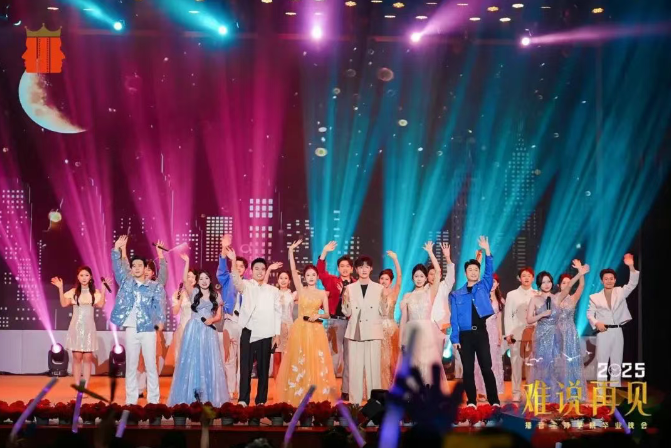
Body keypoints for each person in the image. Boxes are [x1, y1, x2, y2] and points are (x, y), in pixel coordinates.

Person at [275, 239, 337, 405]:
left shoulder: (322, 293)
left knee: (315, 362)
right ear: (304, 277)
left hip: (316, 331)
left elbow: (328, 314)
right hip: (300, 329)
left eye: (313, 275)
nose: (310, 277)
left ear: (317, 277)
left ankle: (316, 396)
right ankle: (298, 394)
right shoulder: (301, 290)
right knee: (299, 360)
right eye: (308, 275)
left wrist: (319, 315)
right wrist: (291, 251)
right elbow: (293, 270)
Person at [109, 235, 166, 405]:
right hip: (131, 328)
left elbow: (159, 305)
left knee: (151, 365)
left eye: (140, 265)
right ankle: (131, 400)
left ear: (145, 268)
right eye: (134, 266)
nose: (136, 268)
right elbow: (118, 268)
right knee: (131, 365)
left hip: (148, 329)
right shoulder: (126, 282)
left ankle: (153, 400)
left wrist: (160, 321)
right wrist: (116, 249)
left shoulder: (154, 286)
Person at [225, 241, 282, 406]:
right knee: (245, 367)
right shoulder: (247, 285)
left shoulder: (273, 291)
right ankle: (243, 399)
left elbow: (277, 313)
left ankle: (261, 400)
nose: (259, 271)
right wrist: (233, 260)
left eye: (262, 269)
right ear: (251, 270)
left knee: (263, 369)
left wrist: (277, 334)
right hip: (248, 331)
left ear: (266, 271)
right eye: (256, 268)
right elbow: (236, 281)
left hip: (266, 332)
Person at [167, 260, 229, 407]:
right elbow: (184, 280)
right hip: (193, 329)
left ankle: (208, 395)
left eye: (206, 278)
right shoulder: (194, 292)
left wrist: (211, 320)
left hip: (208, 331)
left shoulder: (216, 295)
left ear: (210, 280)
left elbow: (218, 315)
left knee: (208, 361)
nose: (204, 281)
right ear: (198, 281)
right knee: (192, 361)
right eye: (201, 279)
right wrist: (187, 262)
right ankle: (191, 395)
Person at [526, 260, 589, 402]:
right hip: (541, 335)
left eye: (549, 281)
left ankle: (554, 396)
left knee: (555, 366)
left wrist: (579, 273)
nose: (546, 284)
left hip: (555, 336)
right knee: (542, 366)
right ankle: (542, 396)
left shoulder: (557, 298)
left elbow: (569, 286)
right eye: (543, 282)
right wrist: (542, 314)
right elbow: (529, 319)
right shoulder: (535, 299)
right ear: (539, 284)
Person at [449, 236, 500, 407]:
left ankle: (494, 401)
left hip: (481, 333)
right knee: (468, 370)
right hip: (465, 336)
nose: (473, 272)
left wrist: (487, 251)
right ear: (465, 273)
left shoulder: (484, 286)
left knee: (486, 367)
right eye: (470, 270)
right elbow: (454, 319)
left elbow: (489, 270)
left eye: (476, 270)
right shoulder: (456, 294)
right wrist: (455, 339)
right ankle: (471, 401)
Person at [587, 253, 639, 388]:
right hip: (603, 332)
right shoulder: (594, 297)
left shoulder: (620, 292)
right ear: (601, 281)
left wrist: (631, 266)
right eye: (606, 279)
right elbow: (590, 314)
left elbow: (633, 283)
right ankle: (601, 392)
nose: (609, 281)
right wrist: (596, 323)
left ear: (615, 280)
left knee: (616, 363)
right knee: (602, 363)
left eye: (611, 278)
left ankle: (615, 390)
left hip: (617, 331)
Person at [50, 267, 109, 386]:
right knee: (77, 358)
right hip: (76, 327)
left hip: (89, 328)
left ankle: (84, 386)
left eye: (86, 275)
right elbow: (64, 304)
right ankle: (78, 386)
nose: (84, 278)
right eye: (81, 275)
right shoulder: (73, 292)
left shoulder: (94, 293)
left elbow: (101, 304)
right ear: (78, 277)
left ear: (90, 277)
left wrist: (103, 290)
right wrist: (60, 288)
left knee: (87, 358)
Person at [399, 242, 445, 387]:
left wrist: (430, 252)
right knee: (413, 365)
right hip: (411, 333)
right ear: (412, 278)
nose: (419, 278)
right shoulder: (407, 296)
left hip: (426, 333)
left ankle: (428, 393)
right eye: (416, 276)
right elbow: (403, 320)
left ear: (426, 278)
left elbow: (438, 272)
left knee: (427, 365)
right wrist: (401, 340)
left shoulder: (429, 292)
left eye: (421, 276)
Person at [341, 255, 384, 405]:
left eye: (367, 267)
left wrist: (385, 299)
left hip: (373, 332)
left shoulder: (379, 288)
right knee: (355, 370)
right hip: (356, 332)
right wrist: (345, 300)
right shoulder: (349, 288)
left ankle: (375, 405)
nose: (364, 270)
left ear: (371, 269)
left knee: (374, 371)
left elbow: (383, 312)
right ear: (356, 269)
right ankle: (355, 405)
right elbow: (346, 312)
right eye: (361, 267)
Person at [317, 241, 356, 400]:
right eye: (342, 266)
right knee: (333, 357)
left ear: (352, 269)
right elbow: (320, 272)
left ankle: (346, 390)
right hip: (335, 323)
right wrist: (324, 252)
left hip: (352, 324)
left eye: (347, 266)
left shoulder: (357, 284)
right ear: (338, 268)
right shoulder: (333, 281)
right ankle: (329, 390)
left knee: (350, 358)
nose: (345, 269)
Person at [216, 234, 248, 400]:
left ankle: (241, 391)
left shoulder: (249, 284)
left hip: (245, 324)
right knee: (229, 357)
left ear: (245, 269)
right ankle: (229, 390)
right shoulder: (227, 279)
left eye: (242, 266)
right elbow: (222, 268)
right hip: (229, 321)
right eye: (237, 265)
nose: (239, 268)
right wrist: (223, 248)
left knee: (243, 360)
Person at [503, 266, 537, 402]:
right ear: (519, 278)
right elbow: (508, 315)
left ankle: (530, 391)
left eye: (529, 275)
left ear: (533, 278)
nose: (526, 278)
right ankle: (516, 392)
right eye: (524, 275)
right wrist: (508, 333)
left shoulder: (537, 294)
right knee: (516, 365)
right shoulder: (512, 295)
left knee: (531, 365)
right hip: (516, 335)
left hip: (532, 334)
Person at [556, 265, 588, 394]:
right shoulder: (554, 298)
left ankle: (572, 390)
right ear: (559, 285)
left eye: (569, 283)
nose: (566, 285)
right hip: (556, 332)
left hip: (570, 332)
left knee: (571, 360)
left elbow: (581, 286)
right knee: (557, 360)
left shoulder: (573, 298)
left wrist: (581, 271)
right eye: (564, 283)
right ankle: (557, 389)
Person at [473, 273, 505, 401]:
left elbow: (499, 319)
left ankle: (493, 390)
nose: (492, 284)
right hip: (481, 331)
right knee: (481, 360)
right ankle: (481, 390)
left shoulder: (500, 300)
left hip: (493, 332)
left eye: (494, 282)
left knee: (493, 361)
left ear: (498, 284)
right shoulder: (481, 296)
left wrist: (500, 334)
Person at [428, 243, 457, 364]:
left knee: (437, 357)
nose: (433, 276)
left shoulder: (444, 286)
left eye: (436, 273)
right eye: (431, 274)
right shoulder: (424, 289)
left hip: (440, 325)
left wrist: (447, 258)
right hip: (426, 326)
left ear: (440, 275)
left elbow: (451, 276)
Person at [266, 265, 297, 378]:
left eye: (286, 278)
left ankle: (288, 384)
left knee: (288, 359)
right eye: (281, 278)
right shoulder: (273, 293)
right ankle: (276, 385)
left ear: (289, 281)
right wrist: (269, 269)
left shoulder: (293, 294)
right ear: (277, 280)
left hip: (289, 328)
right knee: (277, 358)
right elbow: (263, 286)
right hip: (276, 329)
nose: (283, 280)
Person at [378, 251, 402, 390]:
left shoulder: (394, 292)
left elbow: (399, 276)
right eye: (382, 278)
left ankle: (392, 387)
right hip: (378, 328)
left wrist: (395, 259)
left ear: (390, 281)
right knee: (380, 359)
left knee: (392, 359)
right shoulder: (375, 292)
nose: (384, 281)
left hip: (392, 329)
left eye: (386, 279)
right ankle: (379, 386)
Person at [171, 263, 198, 365]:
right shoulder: (178, 293)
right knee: (180, 355)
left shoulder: (198, 293)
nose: (190, 279)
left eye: (192, 277)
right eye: (188, 276)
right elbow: (175, 312)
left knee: (193, 354)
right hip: (183, 327)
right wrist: (180, 299)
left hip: (195, 328)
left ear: (196, 280)